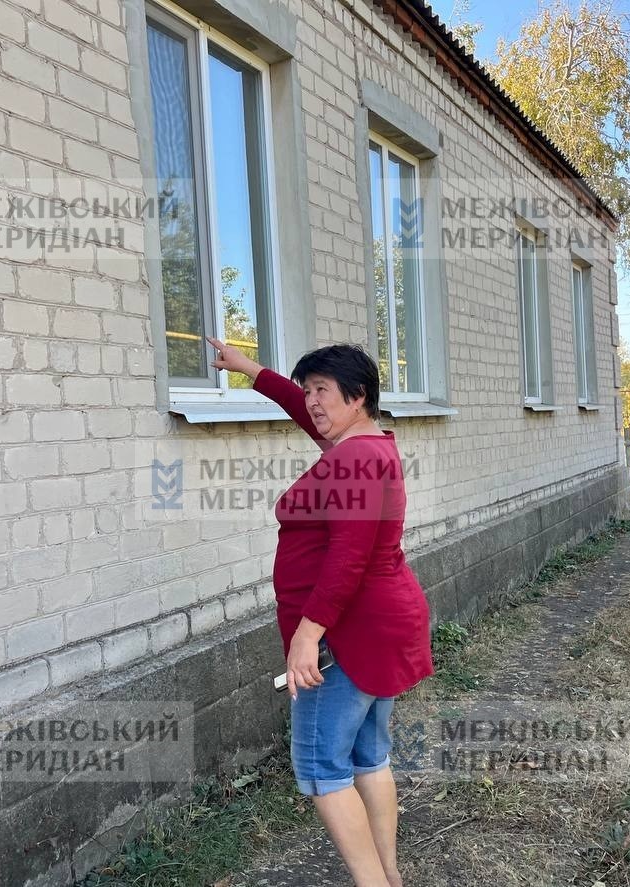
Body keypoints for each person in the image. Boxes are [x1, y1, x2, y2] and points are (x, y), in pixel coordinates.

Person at [208, 336, 433, 887]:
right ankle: (389, 876)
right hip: (379, 624)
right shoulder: (367, 444)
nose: (311, 402)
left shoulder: (353, 457)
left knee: (321, 767)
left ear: (357, 396)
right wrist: (248, 368)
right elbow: (300, 407)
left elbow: (347, 558)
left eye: (322, 391)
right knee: (369, 756)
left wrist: (307, 637)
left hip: (347, 635)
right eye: (308, 390)